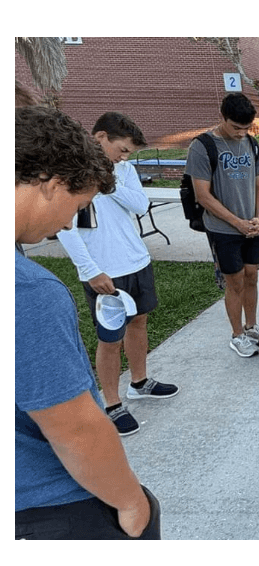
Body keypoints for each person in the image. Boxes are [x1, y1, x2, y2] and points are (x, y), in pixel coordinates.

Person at [15, 106, 161, 539]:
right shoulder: (28, 292)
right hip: (45, 500)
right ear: (52, 185)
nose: (68, 222)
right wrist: (132, 501)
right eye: (77, 206)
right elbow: (74, 428)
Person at [57, 112, 179, 438]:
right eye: (122, 149)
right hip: (102, 270)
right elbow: (67, 227)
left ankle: (139, 382)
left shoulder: (123, 170)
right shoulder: (72, 172)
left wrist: (110, 180)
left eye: (129, 153)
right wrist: (90, 270)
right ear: (100, 138)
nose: (125, 156)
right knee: (109, 339)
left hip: (136, 261)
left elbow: (140, 206)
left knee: (139, 323)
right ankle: (112, 404)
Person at [183, 92, 259, 357]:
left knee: (252, 275)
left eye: (246, 128)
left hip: (252, 227)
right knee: (235, 282)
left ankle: (251, 326)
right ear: (223, 118)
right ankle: (237, 334)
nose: (242, 133)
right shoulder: (203, 146)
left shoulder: (251, 145)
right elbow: (202, 196)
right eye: (236, 127)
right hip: (223, 229)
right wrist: (237, 223)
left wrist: (258, 220)